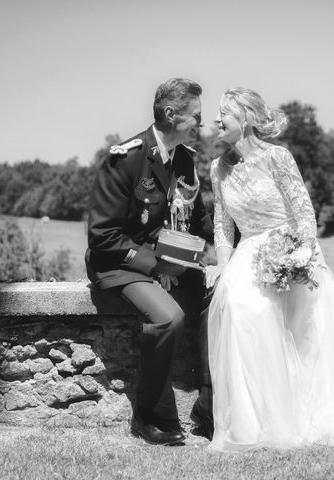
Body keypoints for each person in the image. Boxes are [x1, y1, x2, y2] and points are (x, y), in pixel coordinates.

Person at [204, 88, 334, 451]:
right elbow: (223, 226)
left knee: (300, 328)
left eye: (223, 113)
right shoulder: (218, 168)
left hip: (289, 249)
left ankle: (302, 418)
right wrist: (222, 267)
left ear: (245, 120)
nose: (215, 120)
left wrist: (300, 258)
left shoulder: (278, 157)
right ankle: (253, 424)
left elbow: (304, 214)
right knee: (243, 307)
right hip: (247, 253)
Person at [85, 78, 214, 445]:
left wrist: (236, 248)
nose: (201, 126)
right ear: (171, 114)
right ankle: (149, 416)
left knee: (218, 298)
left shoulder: (185, 159)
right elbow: (103, 237)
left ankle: (208, 408)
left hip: (168, 261)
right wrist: (156, 267)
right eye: (197, 118)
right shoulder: (125, 158)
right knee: (167, 317)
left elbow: (199, 220)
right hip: (119, 264)